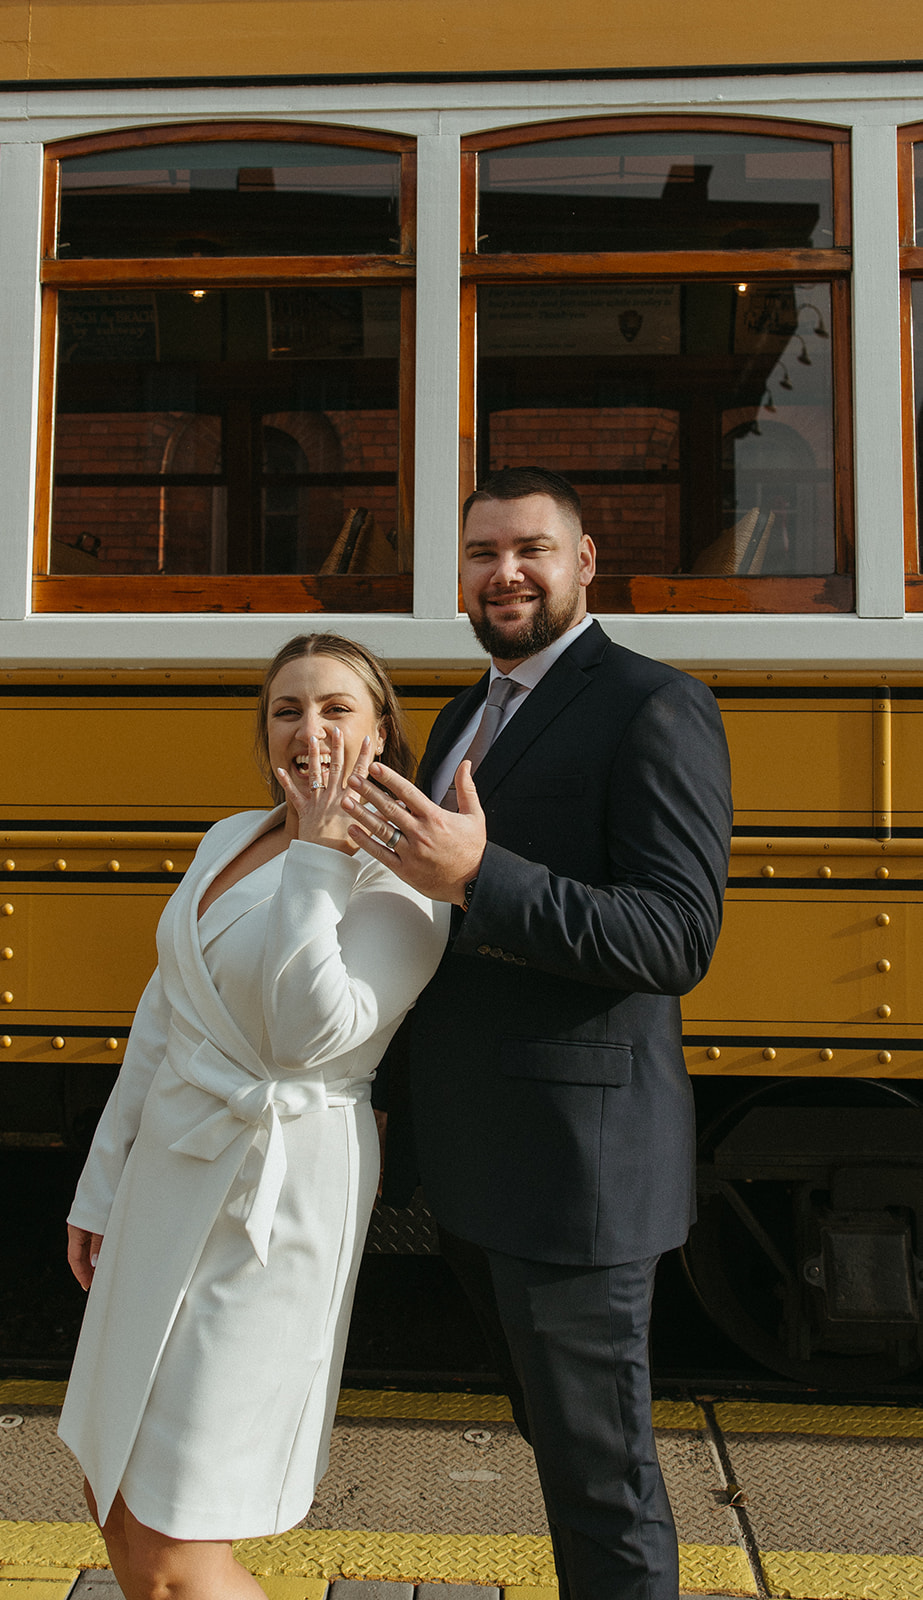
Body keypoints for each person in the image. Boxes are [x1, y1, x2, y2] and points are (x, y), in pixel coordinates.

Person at [342, 468, 733, 1600]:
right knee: (563, 1459)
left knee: (601, 1483)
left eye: (529, 549)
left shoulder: (653, 704)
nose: (502, 572)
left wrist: (482, 874)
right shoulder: (468, 711)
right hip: (476, 1168)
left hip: (578, 1174)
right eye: (479, 553)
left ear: (584, 563)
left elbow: (673, 936)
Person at [58, 632, 450, 1600]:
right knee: (112, 1490)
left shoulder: (405, 874)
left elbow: (305, 1037)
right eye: (287, 709)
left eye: (336, 709)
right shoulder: (230, 835)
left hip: (276, 1195)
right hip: (166, 1177)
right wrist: (101, 1188)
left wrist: (320, 859)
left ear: (382, 733)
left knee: (178, 1536)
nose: (309, 729)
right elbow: (163, 1018)